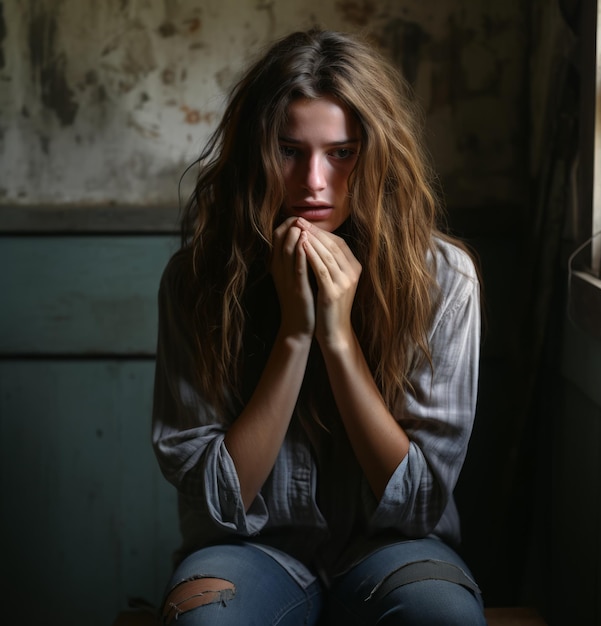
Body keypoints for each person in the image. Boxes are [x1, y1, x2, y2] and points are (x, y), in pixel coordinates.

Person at [152, 27, 485, 626]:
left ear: (378, 154)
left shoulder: (443, 277)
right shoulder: (195, 281)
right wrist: (295, 333)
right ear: (256, 152)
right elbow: (221, 504)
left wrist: (337, 336)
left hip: (393, 548)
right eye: (288, 150)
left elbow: (418, 503)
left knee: (445, 620)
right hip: (250, 553)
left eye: (341, 152)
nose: (313, 182)